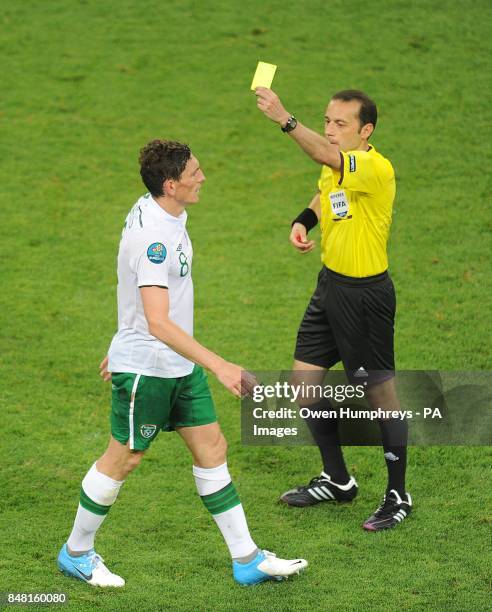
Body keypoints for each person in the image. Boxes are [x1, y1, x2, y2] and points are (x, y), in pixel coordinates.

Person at [57, 139, 307, 586]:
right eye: (194, 173)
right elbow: (156, 321)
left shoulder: (162, 210)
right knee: (124, 458)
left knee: (212, 449)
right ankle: (76, 552)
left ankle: (246, 559)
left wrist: (121, 340)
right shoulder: (154, 237)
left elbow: (132, 294)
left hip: (175, 363)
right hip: (150, 368)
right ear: (170, 185)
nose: (203, 177)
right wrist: (221, 366)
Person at [254, 88, 412, 531]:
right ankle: (338, 480)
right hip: (329, 290)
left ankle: (398, 494)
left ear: (366, 131)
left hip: (366, 297)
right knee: (304, 388)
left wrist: (286, 119)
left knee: (381, 399)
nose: (330, 130)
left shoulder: (375, 167)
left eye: (341, 124)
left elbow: (327, 159)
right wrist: (304, 221)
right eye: (327, 120)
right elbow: (326, 193)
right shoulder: (337, 163)